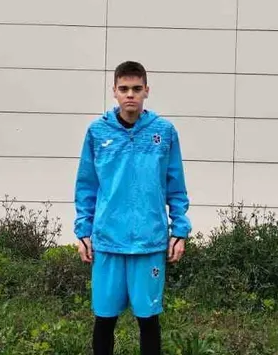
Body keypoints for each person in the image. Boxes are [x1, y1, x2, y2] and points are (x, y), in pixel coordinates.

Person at [73, 60, 192, 355]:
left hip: (149, 242)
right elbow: (87, 186)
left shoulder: (164, 132)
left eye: (136, 89)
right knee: (104, 320)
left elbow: (175, 185)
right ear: (114, 91)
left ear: (146, 91)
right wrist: (83, 231)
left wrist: (180, 230)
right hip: (108, 242)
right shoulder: (97, 132)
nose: (130, 95)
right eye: (124, 88)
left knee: (148, 320)